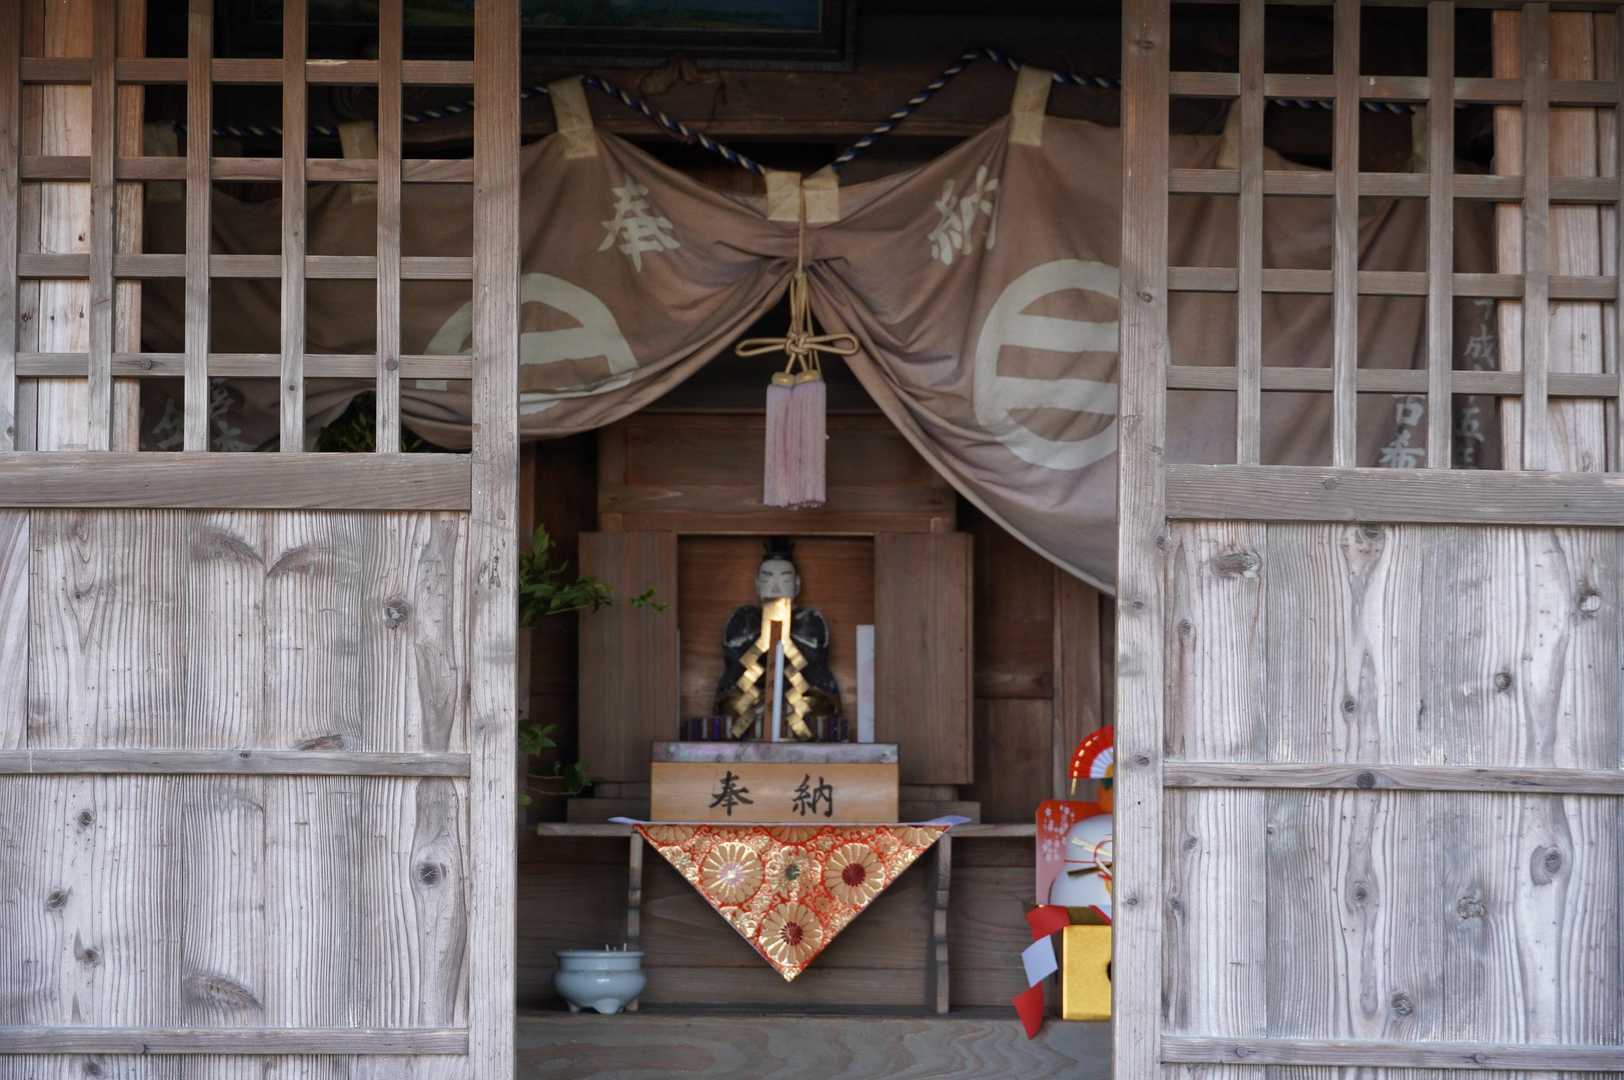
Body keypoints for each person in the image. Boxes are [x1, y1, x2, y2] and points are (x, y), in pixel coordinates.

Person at [714, 538, 844, 740]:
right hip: (753, 701)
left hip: (799, 701)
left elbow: (816, 670)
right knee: (731, 705)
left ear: (797, 584)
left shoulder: (810, 620)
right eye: (767, 579)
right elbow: (734, 669)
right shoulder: (744, 618)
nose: (775, 588)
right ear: (757, 584)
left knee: (820, 707)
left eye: (784, 580)